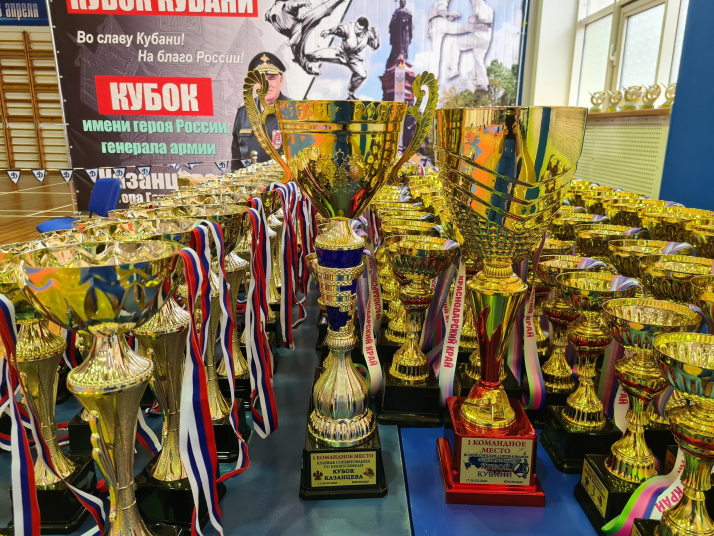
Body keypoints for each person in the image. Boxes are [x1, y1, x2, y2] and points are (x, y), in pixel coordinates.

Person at [231, 52, 288, 171]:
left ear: (281, 81)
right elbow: (236, 161)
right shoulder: (244, 112)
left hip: (283, 182)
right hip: (249, 181)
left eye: (271, 78)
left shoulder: (294, 111)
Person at [265, 0, 347, 75]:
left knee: (299, 57)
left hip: (293, 34)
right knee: (320, 11)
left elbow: (268, 16)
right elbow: (293, 5)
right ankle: (309, 67)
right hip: (299, 28)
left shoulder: (271, 12)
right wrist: (302, 3)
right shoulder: (285, 5)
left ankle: (309, 67)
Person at [306, 17, 380, 99]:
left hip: (353, 57)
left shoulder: (368, 34)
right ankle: (304, 59)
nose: (356, 29)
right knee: (317, 55)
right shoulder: (350, 27)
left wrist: (376, 35)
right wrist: (329, 32)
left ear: (364, 29)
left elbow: (375, 46)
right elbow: (340, 30)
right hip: (341, 52)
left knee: (362, 75)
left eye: (359, 29)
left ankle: (350, 93)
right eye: (356, 26)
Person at [443, 0, 493, 89]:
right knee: (478, 60)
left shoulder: (479, 7)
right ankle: (484, 83)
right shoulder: (489, 9)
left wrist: (475, 18)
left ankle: (453, 69)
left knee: (455, 44)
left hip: (479, 36)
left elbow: (481, 19)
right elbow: (485, 23)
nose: (471, 3)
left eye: (471, 1)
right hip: (486, 39)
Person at [427, 0, 461, 80]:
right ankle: (433, 77)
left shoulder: (437, 4)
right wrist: (452, 13)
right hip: (437, 27)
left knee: (437, 53)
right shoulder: (441, 2)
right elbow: (441, 11)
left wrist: (449, 18)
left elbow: (440, 16)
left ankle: (434, 76)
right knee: (436, 53)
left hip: (435, 26)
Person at [386, 0, 413, 68]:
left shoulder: (408, 12)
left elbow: (410, 25)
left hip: (405, 32)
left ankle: (403, 56)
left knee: (405, 45)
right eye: (402, 1)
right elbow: (392, 24)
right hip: (398, 32)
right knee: (398, 45)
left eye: (404, 1)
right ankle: (397, 56)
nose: (403, 2)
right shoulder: (397, 12)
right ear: (399, 2)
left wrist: (407, 21)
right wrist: (397, 22)